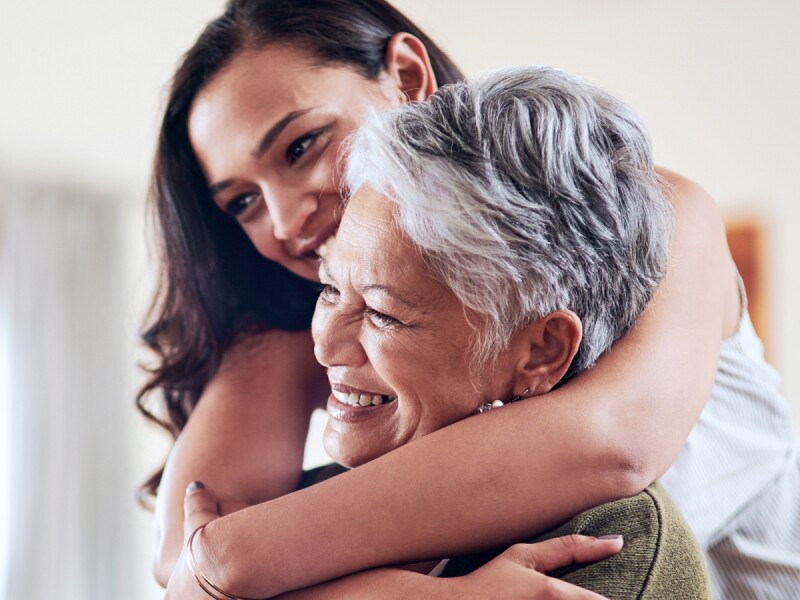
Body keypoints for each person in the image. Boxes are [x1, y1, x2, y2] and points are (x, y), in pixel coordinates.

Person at [141, 0, 799, 597]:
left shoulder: (651, 218)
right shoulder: (311, 313)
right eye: (242, 202)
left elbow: (612, 443)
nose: (286, 221)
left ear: (405, 77)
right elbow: (185, 557)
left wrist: (231, 560)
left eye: (301, 146)